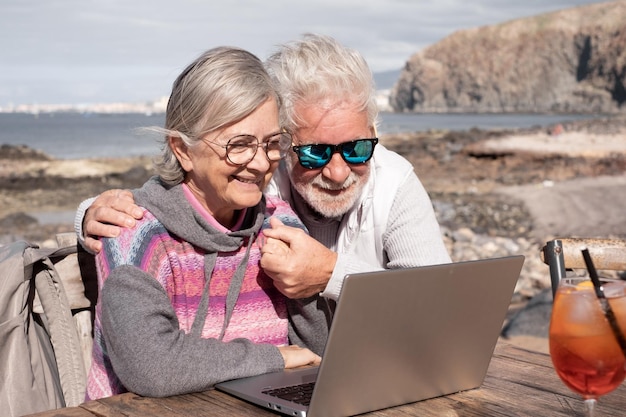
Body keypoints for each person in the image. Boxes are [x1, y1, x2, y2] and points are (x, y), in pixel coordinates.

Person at [76, 34, 451, 356]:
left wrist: (331, 275)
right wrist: (90, 214)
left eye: (356, 149)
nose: (338, 172)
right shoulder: (260, 178)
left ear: (374, 131)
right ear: (283, 141)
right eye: (315, 152)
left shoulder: (395, 182)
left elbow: (442, 309)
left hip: (386, 359)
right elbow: (180, 192)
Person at [85, 46, 320, 400]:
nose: (260, 163)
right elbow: (153, 368)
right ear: (182, 149)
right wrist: (274, 358)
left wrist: (308, 288)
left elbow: (318, 353)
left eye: (272, 143)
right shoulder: (136, 234)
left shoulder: (279, 223)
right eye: (238, 145)